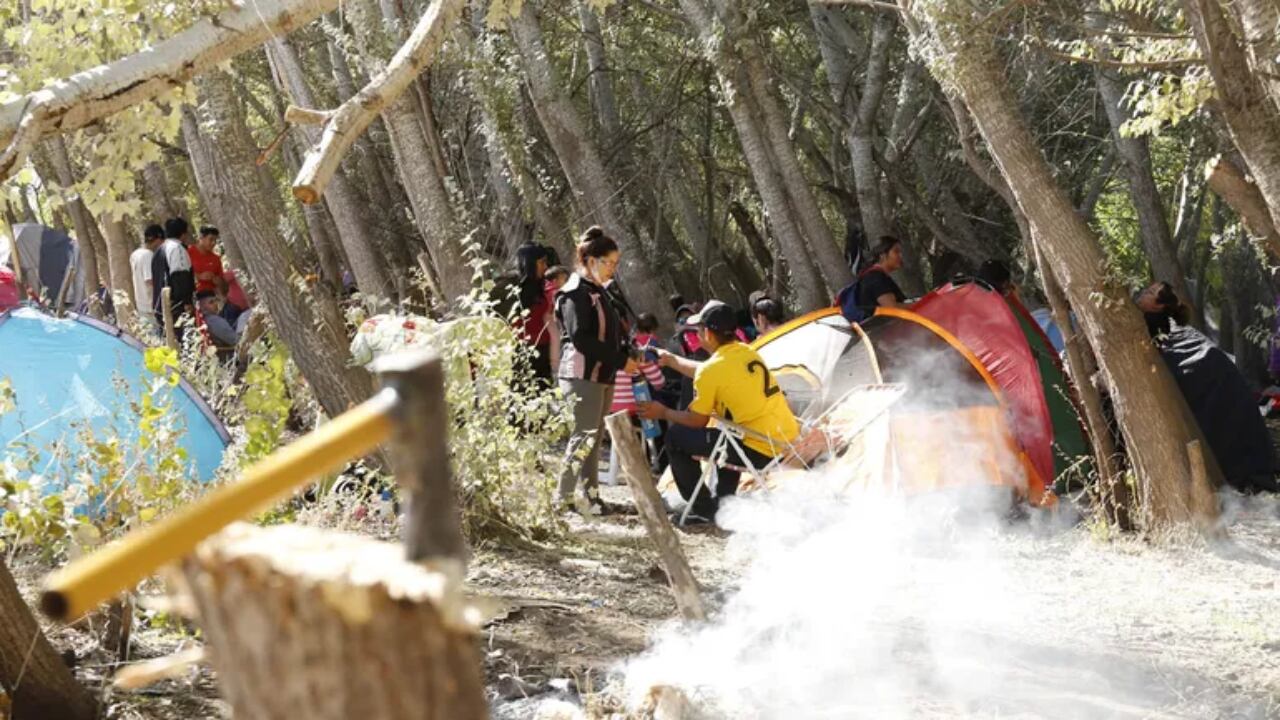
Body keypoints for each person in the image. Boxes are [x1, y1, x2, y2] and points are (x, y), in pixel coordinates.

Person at [639, 300, 800, 523]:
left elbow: (697, 420)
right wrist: (672, 360)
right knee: (728, 431)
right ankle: (724, 504)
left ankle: (704, 509)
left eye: (699, 330)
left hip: (759, 449)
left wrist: (663, 412)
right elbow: (710, 371)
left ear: (709, 334)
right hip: (783, 440)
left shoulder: (712, 370)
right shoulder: (746, 351)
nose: (697, 335)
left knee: (676, 438)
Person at [1137, 282, 1277, 493]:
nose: (1141, 293)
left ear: (1158, 307)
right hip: (1214, 375)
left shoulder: (1164, 328)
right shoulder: (1155, 325)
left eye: (1148, 293)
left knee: (1225, 427)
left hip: (1212, 376)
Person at [554, 226, 639, 515]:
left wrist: (626, 354)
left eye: (616, 264)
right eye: (609, 263)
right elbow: (581, 338)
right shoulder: (575, 292)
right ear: (592, 261)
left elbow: (610, 333)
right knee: (582, 437)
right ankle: (562, 500)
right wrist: (619, 360)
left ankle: (590, 497)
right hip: (581, 375)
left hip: (603, 375)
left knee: (594, 437)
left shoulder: (601, 292)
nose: (613, 269)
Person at [514, 242, 553, 380]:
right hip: (523, 353)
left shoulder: (541, 285)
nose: (546, 267)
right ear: (530, 263)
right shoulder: (514, 289)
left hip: (544, 350)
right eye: (542, 262)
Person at [151, 217, 196, 327]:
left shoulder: (159, 251)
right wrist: (186, 302)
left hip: (161, 305)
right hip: (175, 308)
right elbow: (180, 276)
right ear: (183, 234)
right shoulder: (177, 249)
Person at [855, 236, 907, 310]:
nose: (900, 256)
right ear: (882, 255)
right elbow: (892, 308)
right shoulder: (876, 278)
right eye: (896, 251)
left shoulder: (874, 276)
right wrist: (920, 304)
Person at [130, 224, 164, 327]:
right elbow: (150, 280)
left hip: (141, 303)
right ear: (158, 239)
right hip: (150, 305)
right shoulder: (148, 255)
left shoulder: (135, 254)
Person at [189, 226, 226, 295]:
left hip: (211, 298)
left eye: (215, 240)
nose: (213, 243)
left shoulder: (216, 259)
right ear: (201, 238)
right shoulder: (188, 253)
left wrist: (219, 281)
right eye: (211, 239)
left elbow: (224, 288)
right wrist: (199, 276)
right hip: (192, 296)